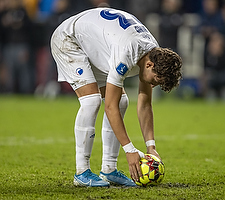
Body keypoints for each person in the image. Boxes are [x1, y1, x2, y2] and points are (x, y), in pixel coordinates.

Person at [50, 7, 182, 187]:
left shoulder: (152, 53)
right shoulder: (127, 53)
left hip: (95, 43)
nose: (155, 85)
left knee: (121, 100)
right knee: (92, 101)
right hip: (70, 39)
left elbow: (144, 102)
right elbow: (109, 107)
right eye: (157, 80)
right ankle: (81, 172)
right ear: (150, 65)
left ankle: (109, 169)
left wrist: (151, 146)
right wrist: (129, 149)